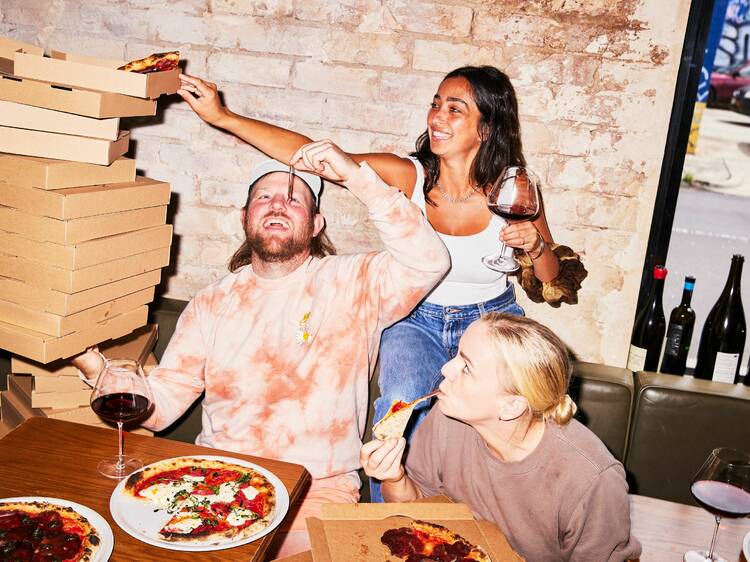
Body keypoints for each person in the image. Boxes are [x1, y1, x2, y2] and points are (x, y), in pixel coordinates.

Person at [176, 65, 586, 502]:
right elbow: (316, 156)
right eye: (435, 105)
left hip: (491, 322)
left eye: (454, 109)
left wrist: (536, 245)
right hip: (415, 320)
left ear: (486, 127)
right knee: (399, 410)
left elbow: (550, 281)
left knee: (507, 423)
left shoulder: (512, 188)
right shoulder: (409, 176)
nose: (436, 117)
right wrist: (224, 118)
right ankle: (381, 525)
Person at [73, 142, 450, 557]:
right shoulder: (211, 303)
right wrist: (87, 359)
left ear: (316, 223)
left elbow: (428, 261)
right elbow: (158, 409)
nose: (277, 206)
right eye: (264, 197)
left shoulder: (355, 282)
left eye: (293, 199)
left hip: (315, 491)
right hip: (213, 481)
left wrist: (355, 177)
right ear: (244, 217)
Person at [360, 313, 641, 562]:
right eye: (457, 355)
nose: (446, 369)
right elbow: (415, 512)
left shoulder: (592, 479)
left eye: (466, 367)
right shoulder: (448, 417)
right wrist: (393, 477)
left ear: (511, 406)